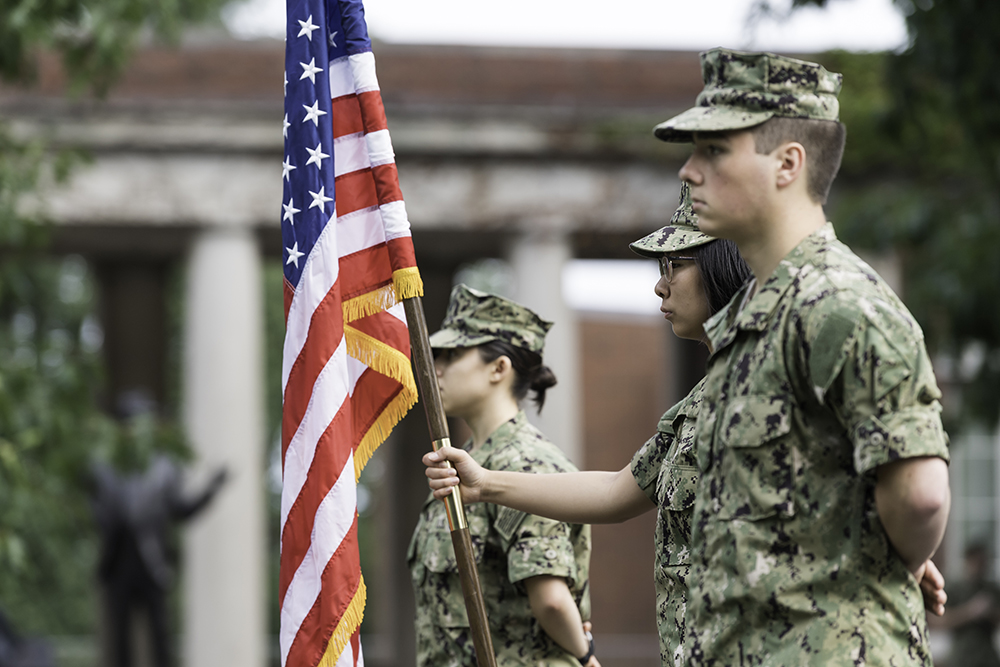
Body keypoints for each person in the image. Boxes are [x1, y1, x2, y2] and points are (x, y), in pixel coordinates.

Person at [647, 47, 951, 665]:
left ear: (788, 163)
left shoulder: (841, 304)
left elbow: (919, 496)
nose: (688, 170)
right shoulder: (752, 321)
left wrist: (890, 564)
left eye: (715, 150)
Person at [423, 184, 753, 667]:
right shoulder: (697, 405)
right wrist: (485, 483)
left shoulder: (775, 378)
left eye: (676, 266)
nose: (660, 286)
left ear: (723, 264)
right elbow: (615, 493)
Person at [407, 285, 595, 667]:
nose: (435, 367)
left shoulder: (526, 462)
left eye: (454, 354)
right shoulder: (474, 462)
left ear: (499, 368)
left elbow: (553, 601)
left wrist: (587, 656)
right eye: (436, 355)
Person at [91, 455, 227, 667]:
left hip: (152, 568)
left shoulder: (163, 470)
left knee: (160, 638)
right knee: (119, 639)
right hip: (118, 567)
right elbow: (101, 512)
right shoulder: (107, 467)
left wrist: (211, 490)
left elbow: (182, 510)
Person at [930, 543, 1000, 667]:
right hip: (962, 657)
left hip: (987, 657)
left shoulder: (991, 589)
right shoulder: (954, 588)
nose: (980, 567)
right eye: (976, 562)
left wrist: (990, 612)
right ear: (968, 561)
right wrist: (970, 612)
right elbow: (937, 621)